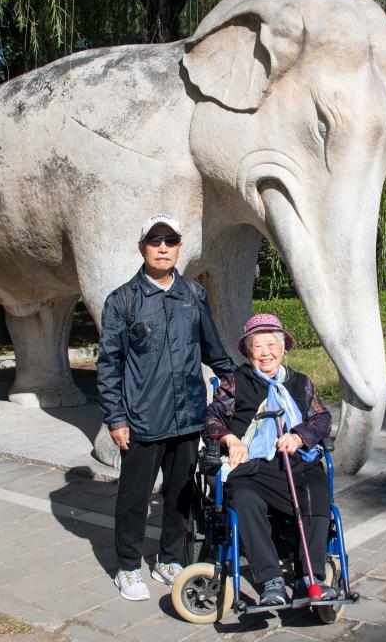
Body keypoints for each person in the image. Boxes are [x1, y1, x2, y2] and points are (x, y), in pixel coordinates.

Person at [97, 213, 235, 601]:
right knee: (134, 499)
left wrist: (240, 382)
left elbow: (213, 349)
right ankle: (127, 567)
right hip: (142, 421)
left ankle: (169, 558)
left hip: (188, 418)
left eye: (170, 241)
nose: (163, 247)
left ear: (179, 248)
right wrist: (116, 418)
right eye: (155, 240)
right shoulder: (123, 300)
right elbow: (109, 364)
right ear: (142, 247)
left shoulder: (193, 295)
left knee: (180, 496)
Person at [205, 313, 336, 606]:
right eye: (258, 346)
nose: (266, 352)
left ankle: (310, 578)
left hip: (296, 463)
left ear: (283, 348)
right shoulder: (235, 381)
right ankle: (270, 581)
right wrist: (230, 439)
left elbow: (322, 418)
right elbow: (212, 417)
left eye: (272, 344)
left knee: (317, 490)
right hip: (251, 466)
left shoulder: (300, 383)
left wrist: (299, 436)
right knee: (244, 498)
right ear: (248, 351)